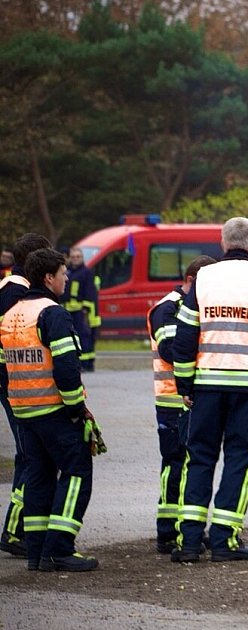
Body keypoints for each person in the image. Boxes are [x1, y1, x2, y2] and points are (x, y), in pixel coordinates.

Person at [170, 217, 248, 563]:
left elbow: (184, 336)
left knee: (200, 458)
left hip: (207, 385)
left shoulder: (204, 278)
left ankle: (189, 543)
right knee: (240, 458)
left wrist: (184, 384)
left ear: (223, 244)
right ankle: (225, 541)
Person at [0, 247, 98, 571]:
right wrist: (76, 408)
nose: (67, 277)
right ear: (48, 277)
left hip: (23, 410)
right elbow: (67, 368)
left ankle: (37, 553)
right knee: (76, 470)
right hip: (54, 410)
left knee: (38, 477)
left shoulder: (13, 313)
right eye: (62, 273)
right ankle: (60, 548)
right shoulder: (52, 313)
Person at [146, 255, 216, 554]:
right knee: (176, 464)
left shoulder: (187, 305)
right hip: (173, 399)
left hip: (188, 398)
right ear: (191, 280)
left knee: (187, 464)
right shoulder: (168, 308)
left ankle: (183, 528)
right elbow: (171, 350)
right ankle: (169, 531)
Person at [0, 233, 52, 558]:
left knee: (28, 455)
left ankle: (19, 526)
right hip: (17, 385)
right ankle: (16, 528)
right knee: (30, 457)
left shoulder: (7, 288)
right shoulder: (17, 294)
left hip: (11, 383)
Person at [62, 247, 98, 372]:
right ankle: (78, 362)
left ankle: (86, 363)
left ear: (82, 258)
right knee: (72, 337)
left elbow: (90, 292)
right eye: (73, 257)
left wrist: (85, 309)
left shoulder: (86, 272)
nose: (75, 259)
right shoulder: (67, 272)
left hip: (80, 310)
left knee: (83, 336)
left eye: (78, 257)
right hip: (68, 309)